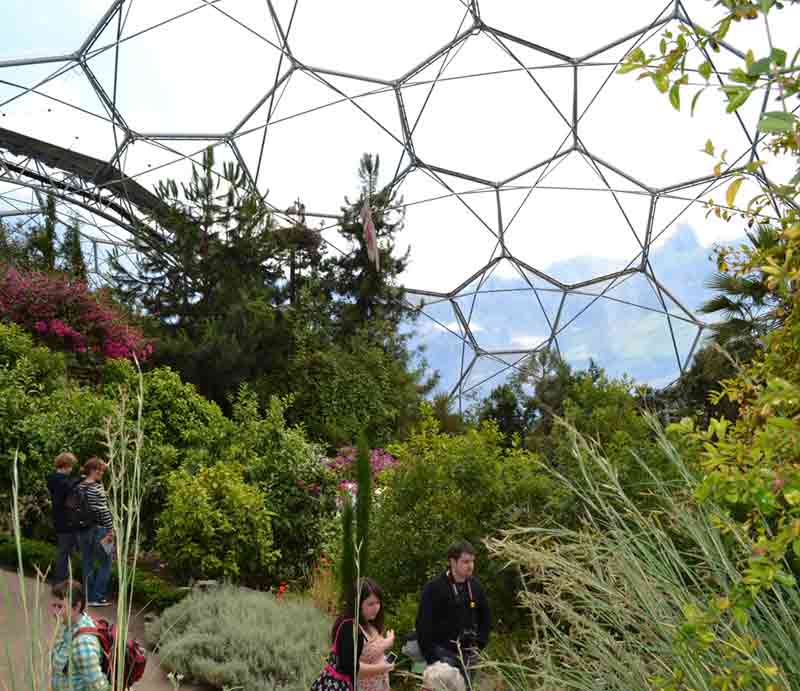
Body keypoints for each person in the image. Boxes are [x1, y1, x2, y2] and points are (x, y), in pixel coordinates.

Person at [415, 541, 491, 685]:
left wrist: (480, 644)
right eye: (465, 561)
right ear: (452, 561)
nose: (470, 566)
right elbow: (423, 625)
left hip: (469, 653)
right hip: (443, 655)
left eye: (472, 561)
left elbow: (486, 618)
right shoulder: (434, 587)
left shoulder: (475, 586)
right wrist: (433, 659)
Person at [312, 578, 395, 690]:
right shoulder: (349, 627)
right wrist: (382, 668)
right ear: (357, 603)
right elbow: (352, 667)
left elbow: (371, 650)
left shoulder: (369, 622)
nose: (376, 608)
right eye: (370, 604)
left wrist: (388, 642)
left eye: (378, 602)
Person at [50, 579, 111, 691]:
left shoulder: (83, 643)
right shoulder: (73, 623)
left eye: (59, 606)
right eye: (53, 605)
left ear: (77, 607)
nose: (54, 612)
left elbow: (98, 687)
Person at [79, 458, 114, 607]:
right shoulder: (97, 488)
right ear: (92, 470)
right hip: (100, 530)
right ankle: (97, 597)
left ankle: (87, 596)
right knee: (106, 562)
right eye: (99, 470)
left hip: (83, 530)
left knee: (87, 562)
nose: (101, 473)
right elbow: (103, 511)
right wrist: (111, 529)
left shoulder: (79, 486)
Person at [47, 452, 80, 584]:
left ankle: (63, 580)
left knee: (66, 551)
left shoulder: (55, 478)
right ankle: (60, 582)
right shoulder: (59, 480)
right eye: (71, 466)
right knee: (64, 552)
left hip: (61, 519)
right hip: (65, 520)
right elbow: (68, 486)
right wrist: (83, 477)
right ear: (66, 465)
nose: (72, 469)